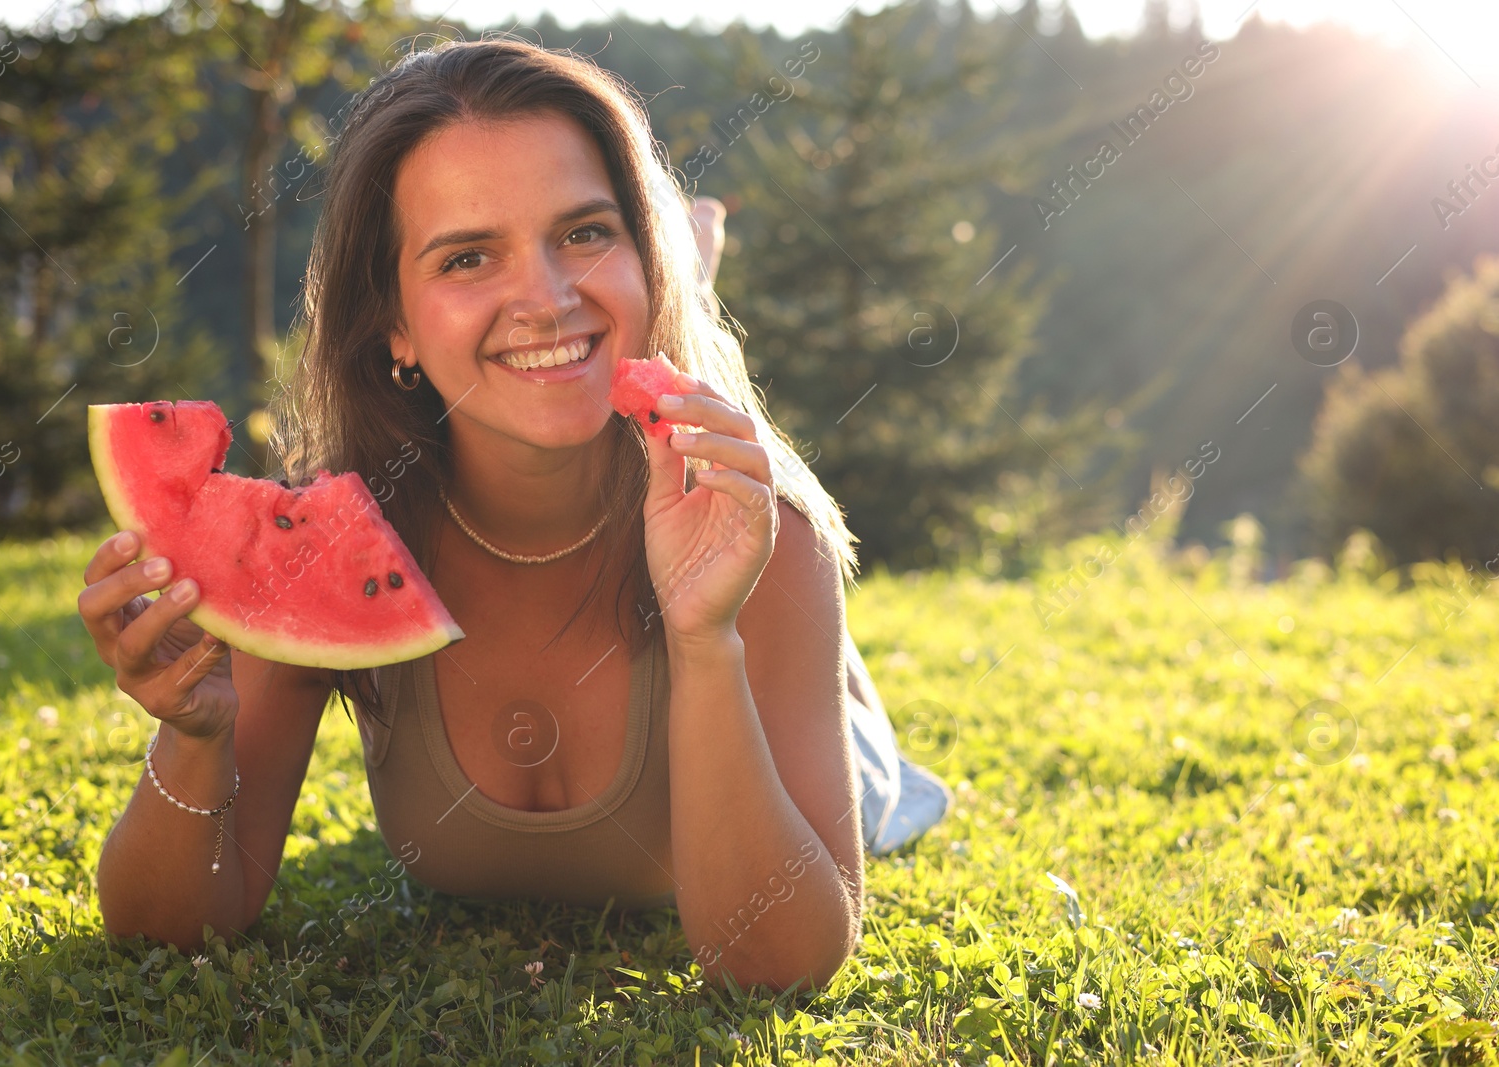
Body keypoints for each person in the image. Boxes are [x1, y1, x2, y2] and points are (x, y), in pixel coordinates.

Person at [76, 38, 949, 994]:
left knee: (863, 744)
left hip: (810, 717)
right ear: (394, 326)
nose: (541, 297)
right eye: (467, 257)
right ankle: (681, 268)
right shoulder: (329, 541)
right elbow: (168, 930)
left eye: (584, 233)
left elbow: (780, 967)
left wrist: (705, 640)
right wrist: (193, 737)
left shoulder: (764, 542)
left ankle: (685, 275)